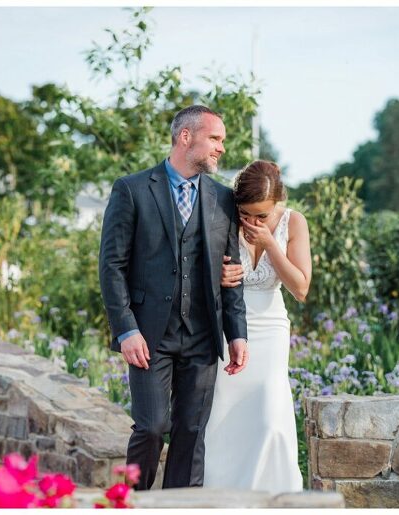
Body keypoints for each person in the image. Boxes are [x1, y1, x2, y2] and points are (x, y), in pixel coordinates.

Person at [99, 105, 249, 490]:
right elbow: (111, 266)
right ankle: (131, 504)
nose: (221, 149)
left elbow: (230, 274)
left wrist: (237, 333)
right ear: (186, 137)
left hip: (202, 335)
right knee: (150, 428)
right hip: (149, 335)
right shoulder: (131, 190)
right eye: (215, 139)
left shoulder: (222, 198)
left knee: (191, 432)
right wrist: (125, 329)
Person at [203, 160, 312, 493]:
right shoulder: (222, 217)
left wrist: (270, 242)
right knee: (221, 419)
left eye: (261, 216)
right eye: (246, 214)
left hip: (270, 328)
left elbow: (301, 287)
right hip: (225, 328)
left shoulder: (293, 222)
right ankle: (220, 500)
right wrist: (216, 276)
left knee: (269, 416)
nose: (251, 222)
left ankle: (273, 498)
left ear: (277, 202)